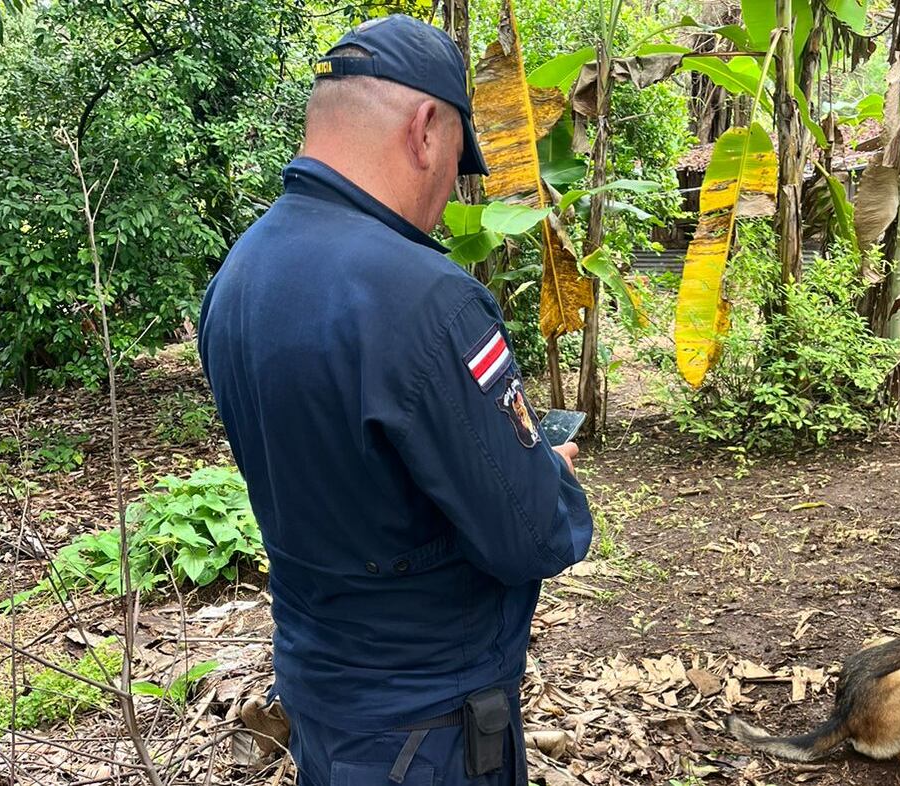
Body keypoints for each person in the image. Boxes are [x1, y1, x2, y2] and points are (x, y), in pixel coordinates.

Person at [198, 14, 594, 785]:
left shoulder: (238, 276)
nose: (450, 193)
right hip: (430, 725)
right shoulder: (426, 300)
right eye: (455, 163)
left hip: (323, 692)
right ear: (424, 129)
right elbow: (530, 536)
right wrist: (552, 477)